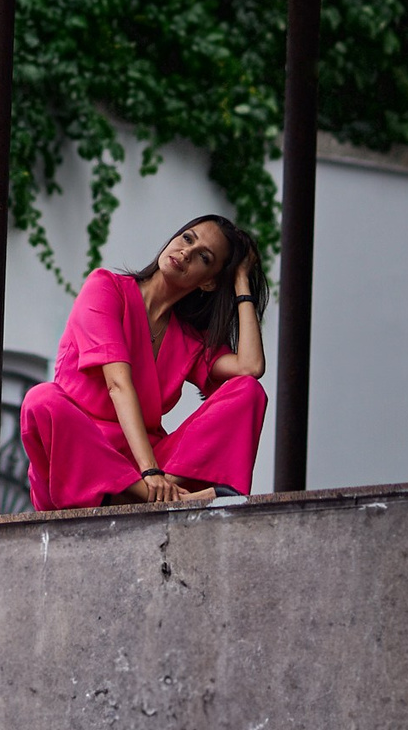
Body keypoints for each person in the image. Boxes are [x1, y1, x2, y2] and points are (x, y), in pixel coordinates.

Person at [19, 214, 269, 509]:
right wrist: (150, 473)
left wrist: (241, 283)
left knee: (248, 390)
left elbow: (250, 368)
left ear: (210, 282)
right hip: (78, 466)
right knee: (41, 399)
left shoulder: (189, 337)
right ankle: (165, 499)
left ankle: (147, 495)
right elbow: (118, 385)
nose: (186, 252)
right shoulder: (106, 288)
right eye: (187, 238)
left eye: (203, 257)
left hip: (151, 469)